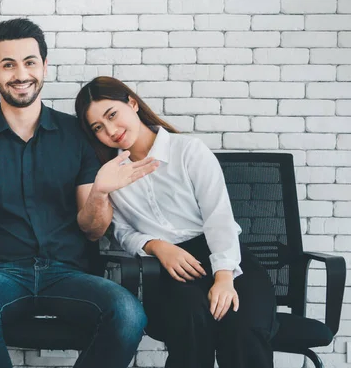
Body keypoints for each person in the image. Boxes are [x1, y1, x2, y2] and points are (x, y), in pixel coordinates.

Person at [0, 19, 158, 368]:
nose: (20, 74)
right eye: (8, 64)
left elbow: (93, 230)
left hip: (70, 273)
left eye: (30, 62)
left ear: (44, 66)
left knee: (128, 313)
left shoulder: (78, 135)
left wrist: (100, 194)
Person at [74, 76, 279, 368]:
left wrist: (223, 277)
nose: (110, 130)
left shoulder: (188, 150)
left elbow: (218, 218)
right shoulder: (110, 173)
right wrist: (157, 246)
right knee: (192, 326)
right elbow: (119, 232)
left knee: (244, 328)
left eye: (112, 115)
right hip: (170, 268)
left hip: (225, 255)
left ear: (131, 103)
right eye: (98, 127)